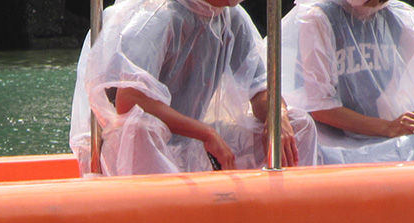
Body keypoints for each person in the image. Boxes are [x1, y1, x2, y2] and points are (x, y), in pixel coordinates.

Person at [69, 0, 318, 176]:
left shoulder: (232, 17)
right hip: (136, 151)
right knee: (140, 128)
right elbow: (130, 101)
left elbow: (261, 87)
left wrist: (278, 116)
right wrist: (205, 133)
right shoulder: (158, 15)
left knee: (298, 123)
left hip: (196, 147)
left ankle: (285, 214)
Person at [281, 0, 414, 164]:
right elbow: (321, 108)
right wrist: (388, 128)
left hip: (385, 135)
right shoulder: (317, 17)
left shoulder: (404, 20)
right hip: (329, 142)